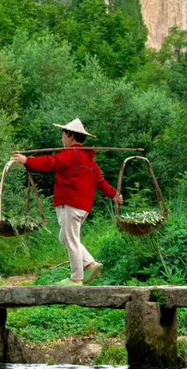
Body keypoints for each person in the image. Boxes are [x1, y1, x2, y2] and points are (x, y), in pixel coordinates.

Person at [11, 118, 122, 285]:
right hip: (82, 206)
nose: (62, 139)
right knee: (66, 237)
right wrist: (113, 194)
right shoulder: (88, 159)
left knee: (70, 240)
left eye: (63, 135)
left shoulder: (72, 154)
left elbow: (51, 163)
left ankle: (76, 279)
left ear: (70, 136)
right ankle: (90, 264)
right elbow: (100, 181)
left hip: (70, 203)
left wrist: (28, 161)